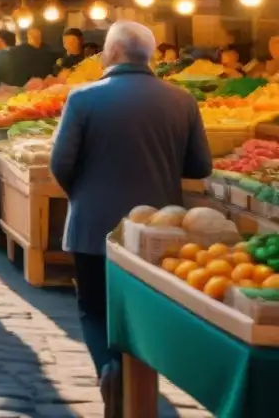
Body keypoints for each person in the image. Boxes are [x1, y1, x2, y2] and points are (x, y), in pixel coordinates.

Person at [50, 21, 213, 415]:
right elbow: (201, 165)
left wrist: (83, 195)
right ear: (149, 56)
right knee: (146, 311)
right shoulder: (182, 100)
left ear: (114, 53)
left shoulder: (83, 98)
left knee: (93, 308)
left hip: (92, 225)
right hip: (160, 230)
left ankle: (108, 368)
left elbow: (60, 163)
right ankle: (135, 383)